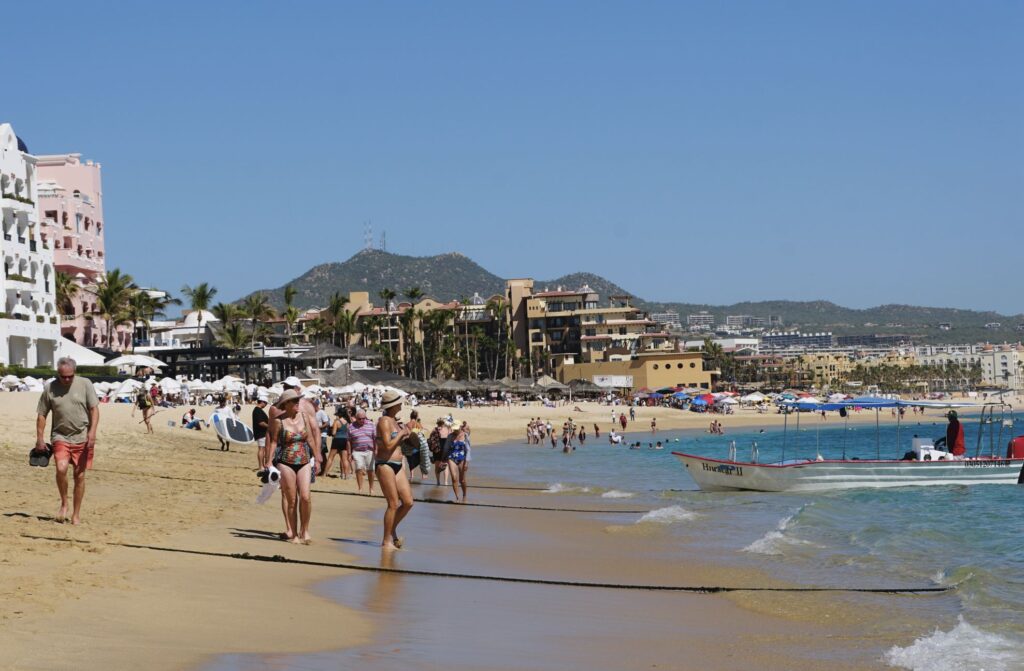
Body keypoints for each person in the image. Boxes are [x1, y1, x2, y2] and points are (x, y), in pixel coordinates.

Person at [35, 357, 99, 525]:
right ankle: (64, 503)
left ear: (74, 373)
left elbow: (94, 409)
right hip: (60, 436)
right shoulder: (50, 388)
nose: (67, 379)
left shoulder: (85, 384)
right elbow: (42, 414)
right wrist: (40, 439)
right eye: (64, 376)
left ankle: (76, 514)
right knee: (61, 468)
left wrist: (92, 433)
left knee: (79, 476)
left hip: (82, 437)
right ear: (58, 373)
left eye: (70, 376)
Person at [263, 389, 320, 543]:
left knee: (306, 497)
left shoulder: (304, 416)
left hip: (304, 460)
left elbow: (310, 439)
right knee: (292, 499)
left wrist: (318, 456)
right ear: (286, 404)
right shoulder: (278, 420)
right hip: (285, 461)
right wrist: (268, 461)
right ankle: (294, 533)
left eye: (298, 400)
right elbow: (274, 441)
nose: (298, 403)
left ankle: (305, 530)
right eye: (294, 401)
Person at [374, 390, 414, 550]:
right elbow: (388, 445)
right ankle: (386, 541)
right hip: (385, 464)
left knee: (408, 502)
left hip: (397, 464)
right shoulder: (384, 421)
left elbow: (396, 443)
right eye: (399, 402)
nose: (401, 404)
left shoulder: (395, 421)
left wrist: (406, 436)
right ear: (393, 405)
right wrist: (402, 433)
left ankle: (392, 529)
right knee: (392, 503)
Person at [347, 408, 376, 494]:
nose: (361, 420)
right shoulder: (351, 427)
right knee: (359, 468)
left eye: (363, 418)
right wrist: (349, 453)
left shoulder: (371, 425)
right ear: (356, 418)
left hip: (370, 450)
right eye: (359, 418)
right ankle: (360, 488)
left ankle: (371, 488)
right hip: (357, 451)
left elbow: (375, 439)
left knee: (371, 470)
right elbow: (348, 441)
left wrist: (376, 450)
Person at [322, 406, 350, 478]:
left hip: (337, 439)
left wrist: (330, 432)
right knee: (344, 459)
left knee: (331, 457)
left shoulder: (337, 421)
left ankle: (324, 474)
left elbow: (334, 433)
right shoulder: (347, 422)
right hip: (345, 440)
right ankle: (346, 475)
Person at [447, 424, 470, 502]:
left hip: (462, 458)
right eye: (454, 429)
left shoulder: (465, 436)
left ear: (460, 428)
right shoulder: (450, 436)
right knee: (454, 478)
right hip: (451, 457)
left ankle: (464, 495)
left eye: (457, 429)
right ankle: (457, 497)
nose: (455, 430)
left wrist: (466, 462)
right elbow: (446, 447)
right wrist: (442, 460)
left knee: (462, 480)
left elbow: (468, 450)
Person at [312, 398, 330, 471]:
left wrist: (318, 428)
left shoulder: (322, 412)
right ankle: (322, 469)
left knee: (321, 452)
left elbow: (326, 423)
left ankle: (323, 469)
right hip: (316, 436)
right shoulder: (313, 413)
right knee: (319, 453)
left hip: (322, 435)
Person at [251, 398, 269, 470]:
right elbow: (261, 423)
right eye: (265, 403)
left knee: (263, 449)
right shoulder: (257, 411)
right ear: (262, 402)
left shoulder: (258, 410)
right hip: (261, 433)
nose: (266, 405)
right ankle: (261, 466)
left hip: (262, 433)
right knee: (261, 449)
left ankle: (263, 465)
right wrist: (270, 427)